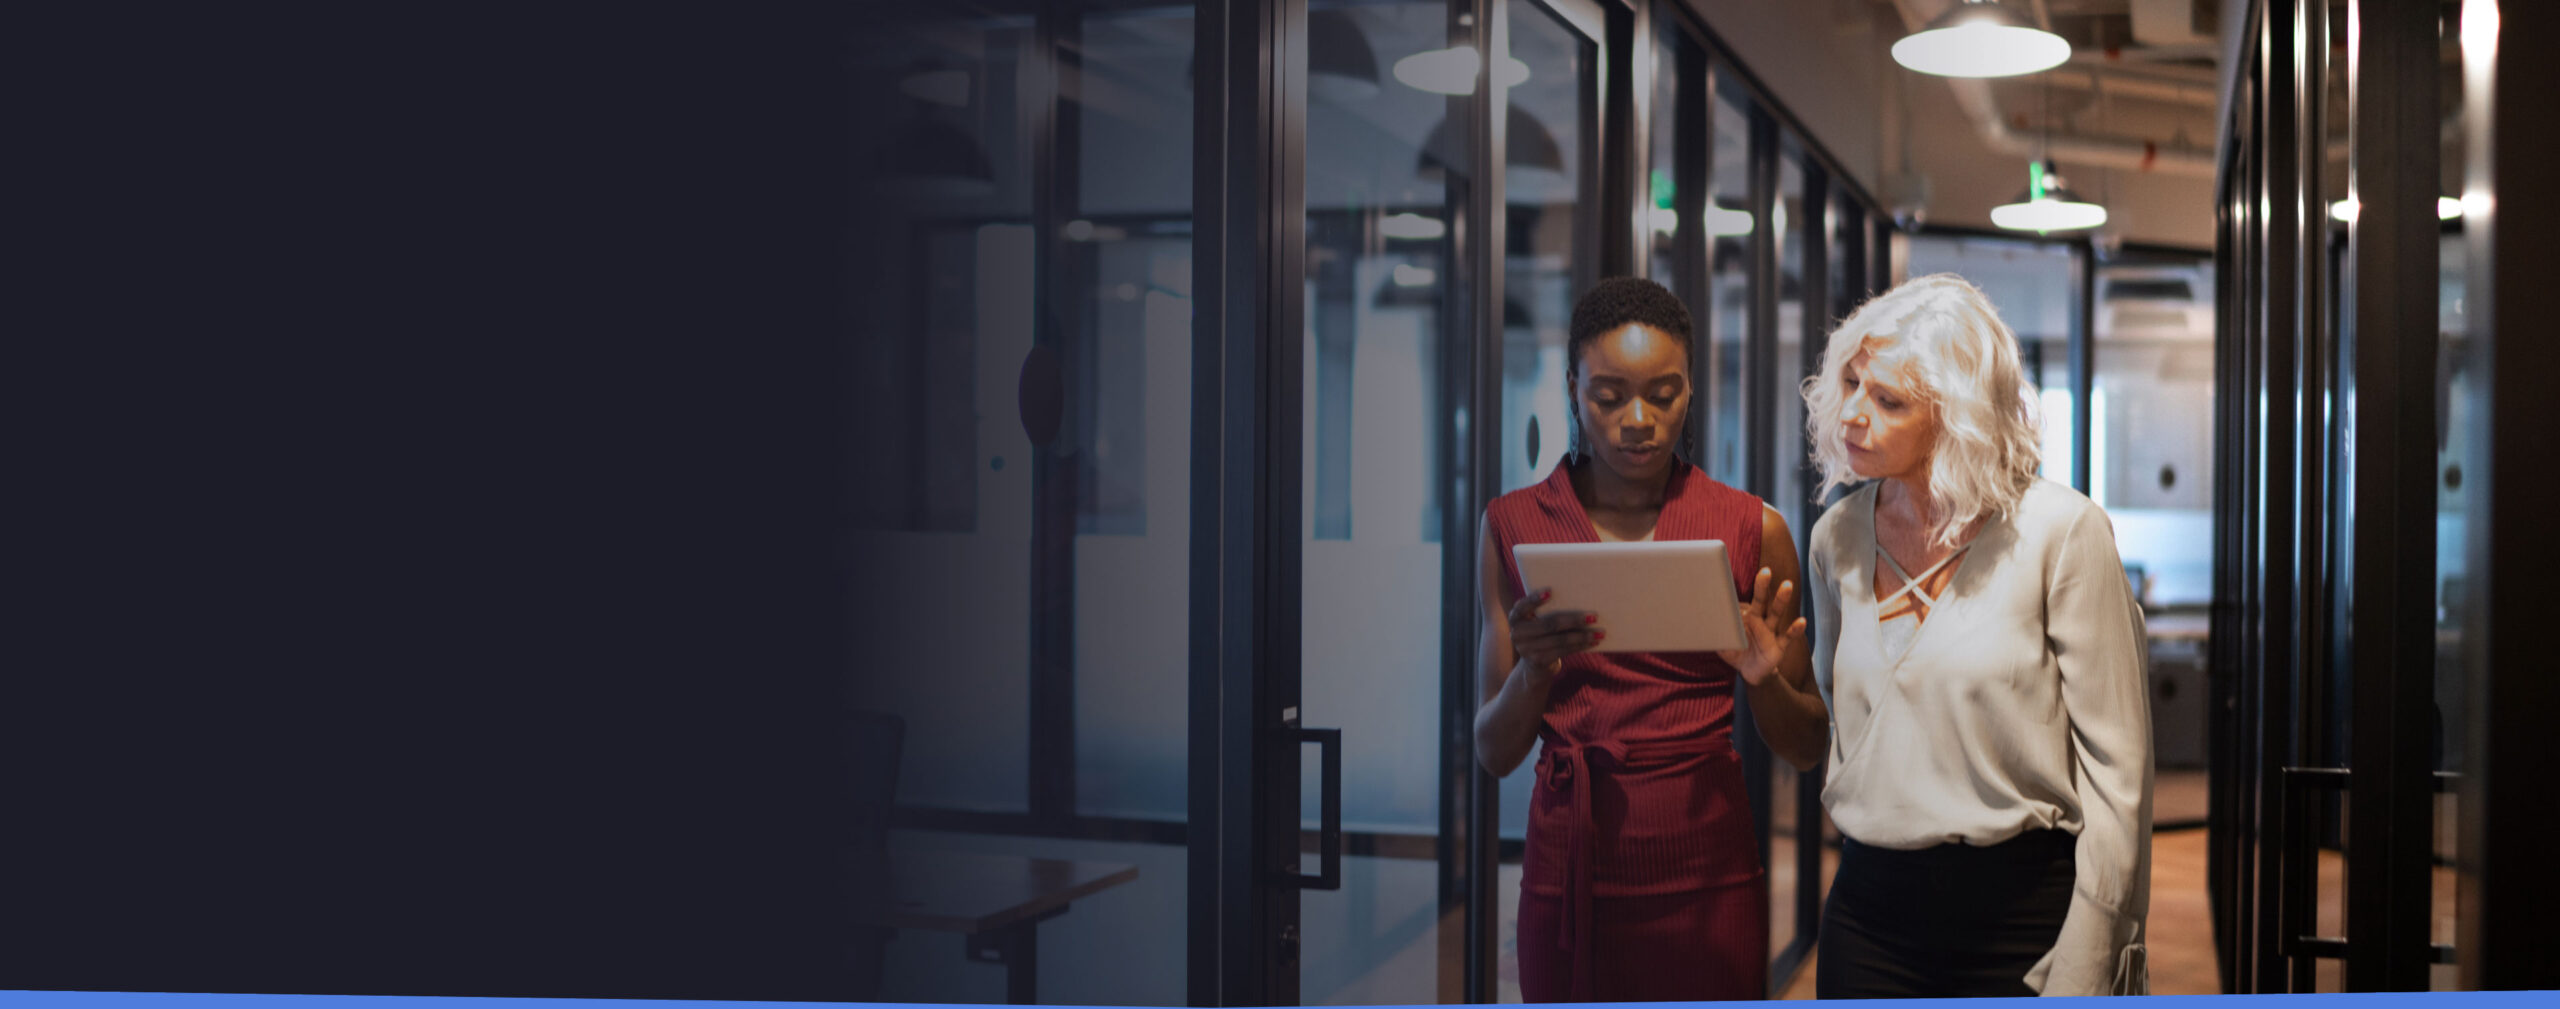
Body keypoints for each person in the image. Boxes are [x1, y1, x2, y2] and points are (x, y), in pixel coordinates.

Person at [1474, 277, 1826, 1003]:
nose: (1638, 419)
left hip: (1707, 866)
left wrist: (1762, 679)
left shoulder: (1752, 529)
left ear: (1690, 389)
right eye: (1608, 394)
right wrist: (1534, 672)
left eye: (1663, 394)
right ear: (1573, 388)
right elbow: (1492, 750)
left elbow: (1810, 744)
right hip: (1567, 863)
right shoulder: (1513, 525)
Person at [1800, 273, 2152, 997]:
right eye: (1852, 385)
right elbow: (1850, 721)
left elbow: (2120, 778)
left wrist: (2091, 954)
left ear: (1958, 414)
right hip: (1869, 911)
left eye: (1888, 399)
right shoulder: (1836, 536)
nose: (1852, 417)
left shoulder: (2062, 531)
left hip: (2022, 918)